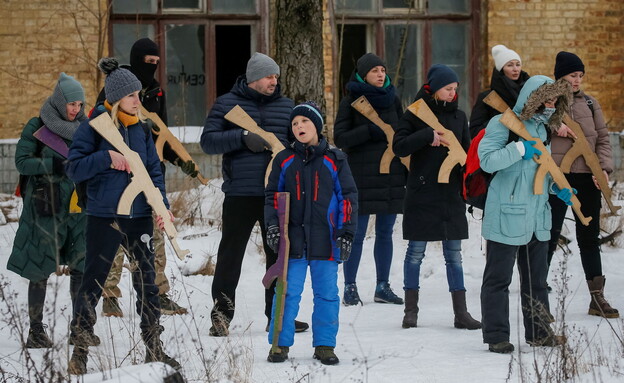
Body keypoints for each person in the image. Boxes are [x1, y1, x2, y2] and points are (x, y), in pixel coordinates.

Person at [66, 58, 180, 374]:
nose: (137, 100)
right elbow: (73, 168)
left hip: (141, 215)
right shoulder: (94, 128)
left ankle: (154, 348)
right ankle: (80, 352)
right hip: (105, 216)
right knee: (92, 283)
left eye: (138, 95)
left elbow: (154, 172)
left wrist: (162, 206)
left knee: (148, 283)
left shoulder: (142, 130)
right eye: (132, 96)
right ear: (116, 97)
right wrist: (106, 157)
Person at [200, 52, 308, 336]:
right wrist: (241, 138)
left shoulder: (287, 107)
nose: (275, 81)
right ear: (253, 79)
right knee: (230, 257)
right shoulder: (226, 104)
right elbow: (208, 141)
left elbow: (298, 143)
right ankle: (221, 316)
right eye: (269, 76)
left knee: (278, 256)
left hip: (276, 196)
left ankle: (278, 316)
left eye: (276, 76)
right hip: (240, 193)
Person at [96, 37, 190, 317]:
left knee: (155, 235)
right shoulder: (114, 88)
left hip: (150, 174)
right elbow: (100, 131)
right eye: (149, 63)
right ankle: (109, 294)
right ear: (138, 61)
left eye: (157, 63)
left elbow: (163, 134)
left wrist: (178, 159)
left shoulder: (157, 92)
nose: (153, 67)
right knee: (116, 238)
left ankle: (158, 293)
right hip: (119, 177)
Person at [478, 75, 572, 353]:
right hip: (506, 214)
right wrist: (518, 148)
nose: (552, 104)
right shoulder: (502, 124)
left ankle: (540, 333)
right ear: (533, 98)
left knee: (537, 281)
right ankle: (496, 336)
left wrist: (558, 189)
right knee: (498, 279)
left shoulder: (543, 129)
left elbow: (539, 173)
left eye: (555, 99)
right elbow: (487, 160)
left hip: (536, 217)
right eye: (547, 98)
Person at [264, 101, 358, 365]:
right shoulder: (284, 160)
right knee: (287, 292)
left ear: (316, 125)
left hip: (326, 241)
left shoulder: (335, 159)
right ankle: (279, 344)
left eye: (304, 122)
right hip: (292, 241)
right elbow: (272, 196)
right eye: (294, 123)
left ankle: (325, 345)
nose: (299, 127)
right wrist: (273, 226)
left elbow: (347, 198)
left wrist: (346, 233)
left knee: (327, 293)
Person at [393, 64, 481, 331]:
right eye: (448, 89)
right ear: (434, 88)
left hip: (450, 195)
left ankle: (461, 313)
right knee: (415, 254)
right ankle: (411, 311)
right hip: (422, 193)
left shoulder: (459, 117)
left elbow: (466, 155)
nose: (453, 94)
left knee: (454, 256)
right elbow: (399, 146)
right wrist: (425, 135)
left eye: (455, 89)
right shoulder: (415, 113)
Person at [8, 73, 87, 348]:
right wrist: (51, 167)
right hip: (45, 205)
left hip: (78, 206)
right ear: (59, 101)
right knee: (40, 268)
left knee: (81, 264)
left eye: (79, 104)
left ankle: (80, 327)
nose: (76, 109)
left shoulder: (86, 128)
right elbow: (21, 162)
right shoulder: (37, 125)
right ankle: (36, 330)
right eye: (71, 104)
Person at [547, 51, 618, 318]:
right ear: (560, 76)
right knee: (549, 235)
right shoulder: (548, 100)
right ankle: (538, 301)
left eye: (580, 76)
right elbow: (532, 125)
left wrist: (603, 170)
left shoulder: (590, 103)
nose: (577, 80)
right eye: (572, 75)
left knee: (589, 237)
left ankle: (596, 297)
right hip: (557, 178)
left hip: (587, 178)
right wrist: (554, 125)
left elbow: (602, 138)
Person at [333, 53, 406, 306]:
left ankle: (382, 286)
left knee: (386, 233)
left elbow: (403, 134)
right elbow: (340, 138)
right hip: (360, 176)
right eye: (375, 70)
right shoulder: (351, 101)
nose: (381, 74)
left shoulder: (393, 100)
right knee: (356, 233)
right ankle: (350, 287)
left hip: (390, 174)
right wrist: (368, 131)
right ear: (364, 75)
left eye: (383, 69)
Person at [470, 45, 530, 138]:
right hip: (499, 148)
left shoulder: (530, 93)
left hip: (529, 147)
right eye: (510, 65)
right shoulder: (487, 98)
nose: (515, 69)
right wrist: (499, 122)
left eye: (518, 64)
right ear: (501, 69)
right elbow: (474, 132)